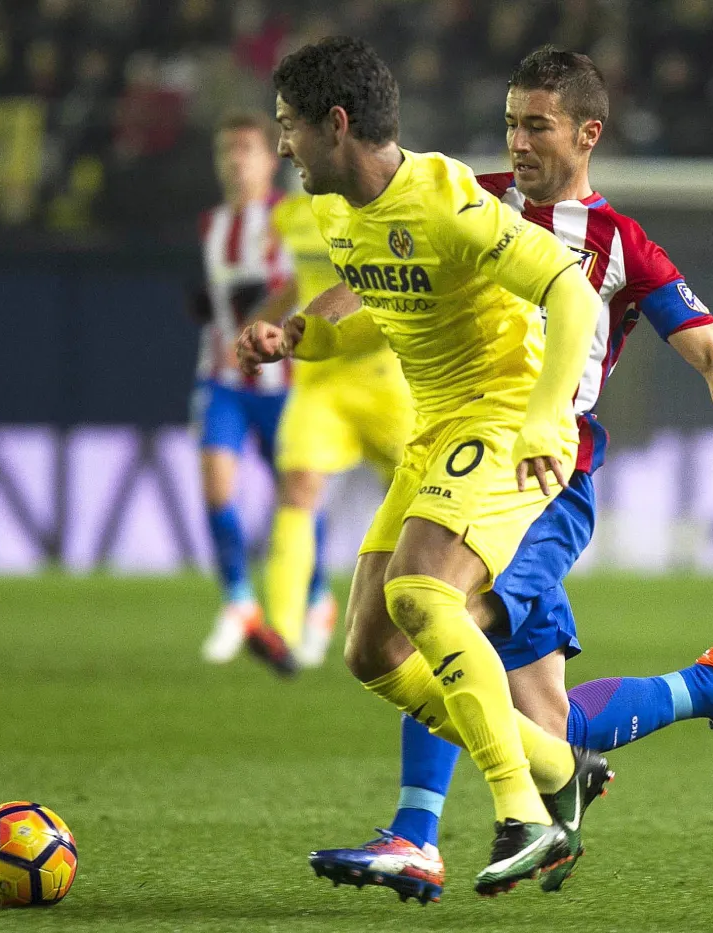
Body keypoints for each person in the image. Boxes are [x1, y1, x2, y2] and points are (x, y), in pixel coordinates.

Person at [300, 46, 713, 904]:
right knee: (535, 710)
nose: (518, 143)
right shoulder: (472, 198)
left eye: (536, 126)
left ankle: (421, 835)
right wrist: (309, 324)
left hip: (546, 472)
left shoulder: (622, 247)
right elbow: (380, 272)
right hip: (469, 448)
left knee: (435, 611)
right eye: (509, 125)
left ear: (586, 134)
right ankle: (709, 685)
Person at [240, 36, 615, 896]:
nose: (284, 146)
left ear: (337, 125)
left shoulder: (446, 198)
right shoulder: (338, 208)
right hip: (435, 423)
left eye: (290, 127)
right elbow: (383, 297)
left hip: (504, 412)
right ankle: (561, 763)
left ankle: (525, 817)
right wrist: (303, 333)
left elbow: (570, 288)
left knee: (423, 595)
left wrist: (546, 422)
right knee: (371, 648)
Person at [258, 187, 415, 667]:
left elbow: (382, 281)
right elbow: (300, 283)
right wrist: (262, 322)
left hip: (385, 379)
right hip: (320, 382)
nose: (290, 145)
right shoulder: (287, 215)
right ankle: (282, 630)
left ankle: (445, 611)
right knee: (298, 487)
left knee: (421, 500)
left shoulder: (383, 205)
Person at [193, 111, 325, 675]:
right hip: (221, 379)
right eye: (227, 149)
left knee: (295, 497)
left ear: (270, 159)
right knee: (217, 488)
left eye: (246, 148)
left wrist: (269, 315)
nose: (235, 160)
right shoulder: (211, 224)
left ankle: (316, 601)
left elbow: (306, 281)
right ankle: (240, 605)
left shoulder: (291, 219)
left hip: (281, 383)